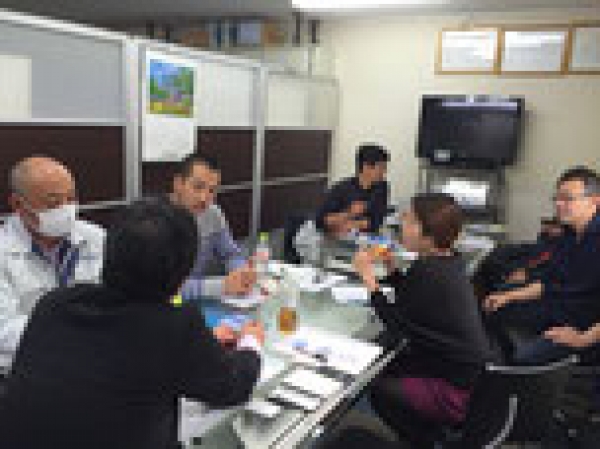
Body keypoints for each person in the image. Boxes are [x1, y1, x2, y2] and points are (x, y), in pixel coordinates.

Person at [0, 199, 263, 449]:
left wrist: (199, 346)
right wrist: (251, 342)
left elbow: (110, 359)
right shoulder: (176, 326)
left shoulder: (53, 304)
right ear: (183, 273)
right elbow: (232, 387)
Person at [353, 193, 496, 448]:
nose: (401, 225)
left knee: (379, 388)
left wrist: (369, 280)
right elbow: (413, 297)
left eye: (409, 221)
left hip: (457, 391)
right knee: (392, 364)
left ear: (427, 233)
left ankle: (424, 440)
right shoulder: (447, 261)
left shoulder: (428, 271)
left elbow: (397, 325)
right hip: (473, 375)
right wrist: (392, 268)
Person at [483, 166, 600, 365]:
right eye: (557, 198)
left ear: (595, 201)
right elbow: (548, 282)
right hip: (558, 308)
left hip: (585, 328)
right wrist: (509, 296)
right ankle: (501, 371)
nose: (559, 204)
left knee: (524, 358)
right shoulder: (568, 234)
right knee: (494, 306)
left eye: (567, 199)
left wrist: (583, 339)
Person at [0, 156, 105, 369]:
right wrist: (72, 329)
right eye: (53, 202)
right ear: (18, 204)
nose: (66, 209)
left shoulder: (96, 237)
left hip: (92, 361)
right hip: (25, 370)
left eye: (71, 198)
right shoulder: (4, 251)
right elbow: (4, 331)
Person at [168, 154, 256, 300]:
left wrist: (241, 273)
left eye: (211, 191)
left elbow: (230, 254)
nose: (204, 198)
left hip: (196, 300)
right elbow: (163, 286)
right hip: (160, 306)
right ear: (178, 184)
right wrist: (222, 286)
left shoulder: (213, 214)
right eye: (197, 187)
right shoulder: (156, 221)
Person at [316, 143, 390, 235]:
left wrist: (353, 224)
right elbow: (320, 221)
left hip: (367, 239)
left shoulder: (382, 187)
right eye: (381, 168)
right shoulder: (341, 189)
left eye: (385, 168)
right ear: (366, 167)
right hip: (338, 239)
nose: (384, 172)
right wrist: (349, 213)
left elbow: (377, 221)